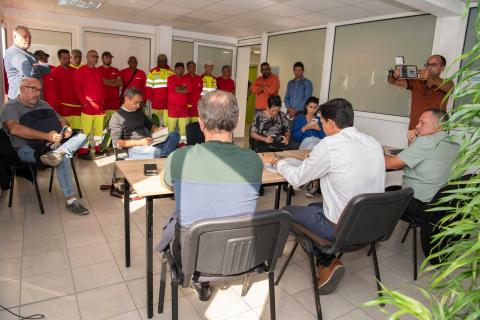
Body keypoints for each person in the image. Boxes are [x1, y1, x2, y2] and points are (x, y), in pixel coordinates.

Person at [156, 90, 263, 300]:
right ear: (236, 121)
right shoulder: (254, 161)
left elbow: (166, 183)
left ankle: (200, 281)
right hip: (240, 254)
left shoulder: (179, 158)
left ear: (201, 123)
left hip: (192, 257)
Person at [272, 98, 385, 294]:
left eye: (322, 122)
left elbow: (297, 179)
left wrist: (280, 164)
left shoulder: (330, 145)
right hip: (372, 226)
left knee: (286, 212)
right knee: (311, 209)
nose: (321, 126)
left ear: (331, 123)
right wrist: (316, 160)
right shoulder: (373, 142)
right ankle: (328, 261)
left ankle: (327, 260)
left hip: (341, 229)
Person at [1, 77, 89, 215]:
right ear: (22, 89)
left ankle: (56, 153)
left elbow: (61, 119)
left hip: (54, 144)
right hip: (28, 150)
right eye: (34, 89)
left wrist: (65, 127)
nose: (37, 93)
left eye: (39, 90)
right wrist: (46, 136)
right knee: (63, 158)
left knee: (82, 137)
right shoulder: (11, 106)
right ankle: (71, 201)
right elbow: (14, 129)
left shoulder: (44, 104)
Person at [384, 108, 459, 224]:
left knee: (379, 196)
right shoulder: (455, 145)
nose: (417, 126)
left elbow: (390, 164)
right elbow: (418, 160)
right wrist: (412, 142)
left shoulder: (427, 141)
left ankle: (374, 234)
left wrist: (375, 151)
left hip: (419, 204)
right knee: (391, 190)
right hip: (440, 206)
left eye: (422, 122)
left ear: (439, 126)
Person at [387, 55, 454, 135]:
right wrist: (393, 75)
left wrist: (430, 78)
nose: (429, 68)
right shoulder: (416, 82)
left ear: (442, 68)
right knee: (413, 148)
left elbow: (450, 88)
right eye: (427, 64)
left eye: (434, 65)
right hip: (415, 129)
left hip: (436, 131)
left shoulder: (447, 82)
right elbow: (392, 81)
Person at [109, 87, 179, 159]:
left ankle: (165, 155)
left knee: (174, 135)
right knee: (162, 152)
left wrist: (158, 129)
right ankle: (165, 155)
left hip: (150, 143)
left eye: (140, 103)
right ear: (127, 99)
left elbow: (151, 126)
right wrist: (140, 142)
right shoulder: (116, 117)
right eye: (136, 103)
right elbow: (117, 143)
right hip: (134, 149)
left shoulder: (138, 112)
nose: (138, 106)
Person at [291, 96, 325, 197]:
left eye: (315, 108)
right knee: (314, 151)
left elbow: (325, 137)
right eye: (311, 107)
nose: (313, 110)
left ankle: (301, 180)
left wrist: (319, 129)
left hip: (317, 143)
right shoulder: (299, 119)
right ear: (306, 107)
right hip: (306, 143)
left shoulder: (319, 120)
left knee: (314, 150)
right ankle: (315, 185)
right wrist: (305, 127)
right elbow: (295, 137)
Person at [4, 25, 50, 100]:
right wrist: (39, 67)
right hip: (20, 102)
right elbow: (30, 72)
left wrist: (36, 67)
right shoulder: (14, 52)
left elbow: (48, 69)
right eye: (24, 37)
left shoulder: (28, 54)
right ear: (15, 37)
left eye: (30, 37)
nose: (28, 39)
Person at [74, 49, 105, 160]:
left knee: (98, 131)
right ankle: (83, 151)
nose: (95, 58)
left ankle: (97, 149)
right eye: (93, 56)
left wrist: (102, 101)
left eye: (96, 56)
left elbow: (101, 87)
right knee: (85, 131)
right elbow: (77, 88)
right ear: (87, 57)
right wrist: (84, 102)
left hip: (99, 108)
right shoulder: (81, 70)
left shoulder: (98, 72)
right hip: (88, 107)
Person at [50, 49, 82, 130]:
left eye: (68, 58)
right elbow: (53, 93)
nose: (67, 60)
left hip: (78, 109)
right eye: (64, 58)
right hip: (64, 110)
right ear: (59, 59)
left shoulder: (77, 71)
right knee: (67, 133)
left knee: (79, 132)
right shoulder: (54, 72)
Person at [145, 54, 174, 127]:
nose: (162, 63)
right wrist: (153, 100)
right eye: (160, 61)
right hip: (156, 104)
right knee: (155, 124)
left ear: (166, 61)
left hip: (168, 104)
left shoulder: (172, 73)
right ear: (157, 61)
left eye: (164, 61)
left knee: (166, 125)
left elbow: (174, 88)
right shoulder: (152, 72)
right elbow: (148, 88)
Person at [167, 62, 191, 137]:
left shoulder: (187, 79)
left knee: (183, 130)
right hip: (173, 107)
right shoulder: (170, 78)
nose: (180, 70)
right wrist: (183, 87)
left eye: (182, 69)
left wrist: (177, 88)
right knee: (171, 129)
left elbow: (189, 90)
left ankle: (182, 144)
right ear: (175, 70)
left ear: (184, 70)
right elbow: (173, 88)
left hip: (183, 107)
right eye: (178, 68)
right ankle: (170, 144)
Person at [99, 51, 122, 120]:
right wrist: (114, 80)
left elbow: (120, 83)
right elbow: (104, 82)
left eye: (110, 58)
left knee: (114, 124)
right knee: (102, 125)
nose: (109, 59)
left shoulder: (116, 70)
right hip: (103, 102)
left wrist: (107, 81)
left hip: (114, 102)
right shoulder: (98, 70)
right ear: (102, 59)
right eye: (106, 58)